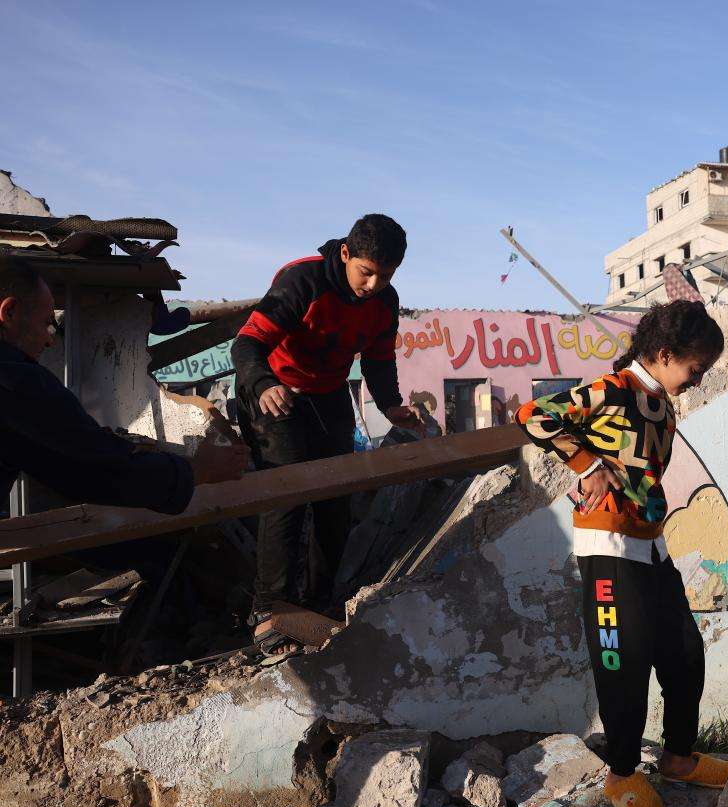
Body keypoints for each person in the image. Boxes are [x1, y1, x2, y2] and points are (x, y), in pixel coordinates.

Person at [516, 299, 728, 807]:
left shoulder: (660, 402)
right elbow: (533, 414)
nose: (698, 379)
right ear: (664, 353)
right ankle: (621, 771)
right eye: (695, 368)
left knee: (686, 654)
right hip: (609, 547)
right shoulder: (614, 389)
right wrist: (585, 462)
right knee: (624, 663)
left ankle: (680, 758)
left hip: (652, 547)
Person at [231, 214, 423, 654]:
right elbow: (245, 344)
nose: (373, 284)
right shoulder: (303, 280)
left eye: (386, 275)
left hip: (328, 393)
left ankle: (320, 606)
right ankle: (268, 611)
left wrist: (391, 404)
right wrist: (263, 385)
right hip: (273, 390)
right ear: (345, 254)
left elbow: (377, 360)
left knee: (336, 499)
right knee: (288, 495)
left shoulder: (384, 302)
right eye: (366, 272)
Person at [0, 255, 248, 515]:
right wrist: (199, 469)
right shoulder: (13, 379)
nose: (50, 341)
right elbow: (95, 469)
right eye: (46, 323)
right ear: (10, 312)